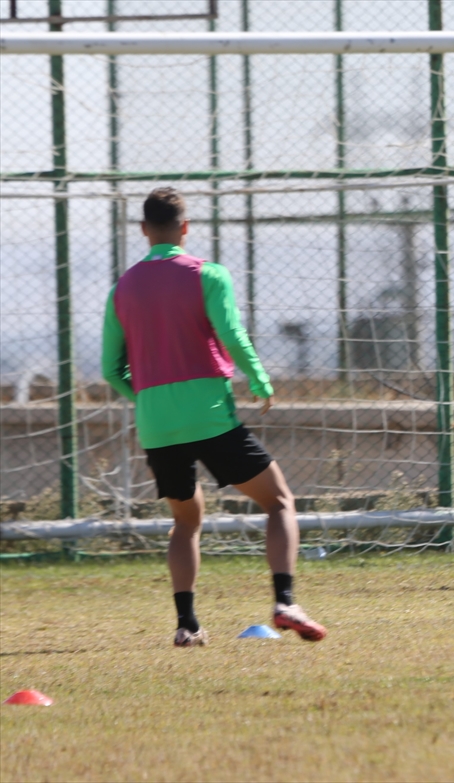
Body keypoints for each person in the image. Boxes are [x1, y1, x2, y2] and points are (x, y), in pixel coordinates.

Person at [102, 187, 326, 646]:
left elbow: (111, 367)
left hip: (158, 426)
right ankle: (285, 601)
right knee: (279, 502)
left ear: (144, 231)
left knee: (186, 522)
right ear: (185, 228)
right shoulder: (209, 274)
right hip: (210, 415)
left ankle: (187, 625)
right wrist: (260, 380)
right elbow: (231, 334)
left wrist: (145, 397)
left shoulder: (121, 289)